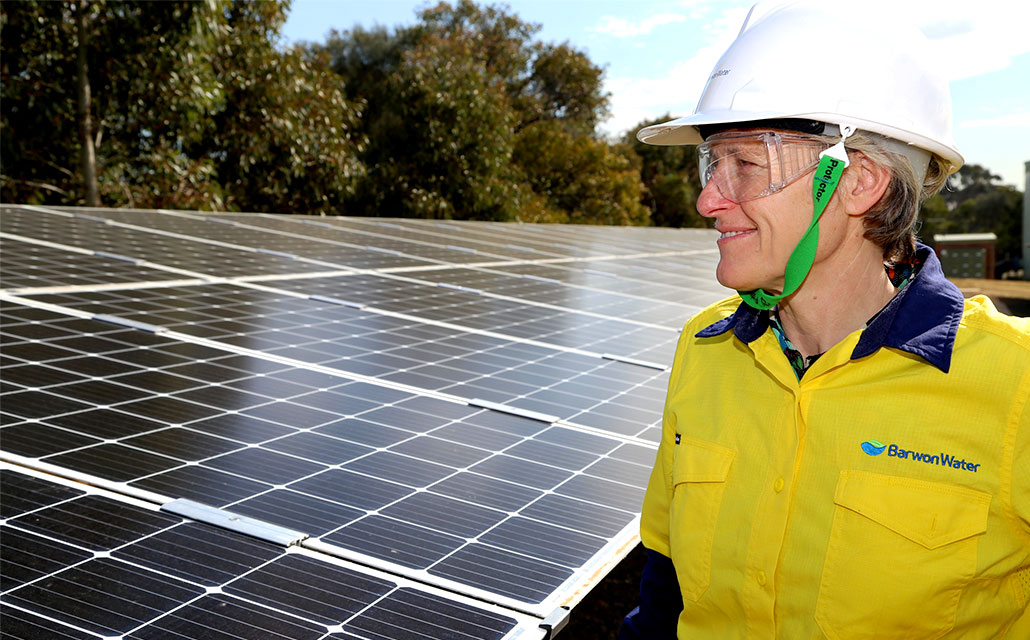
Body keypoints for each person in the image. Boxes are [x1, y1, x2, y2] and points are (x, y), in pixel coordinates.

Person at [619, 2, 1030, 638]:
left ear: (857, 181)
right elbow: (664, 594)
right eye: (710, 163)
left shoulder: (1016, 381)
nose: (707, 199)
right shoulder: (703, 352)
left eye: (746, 164)